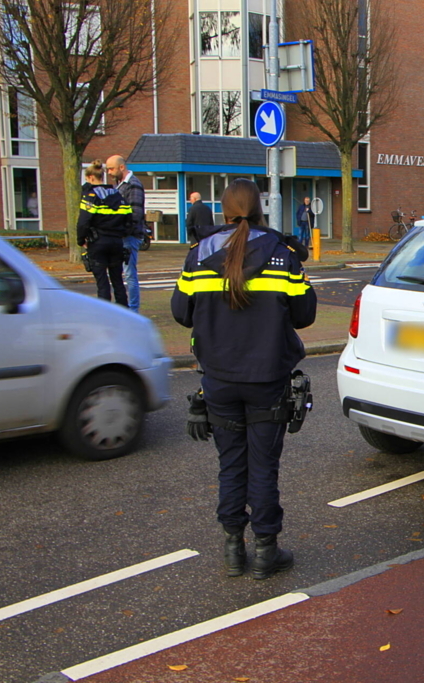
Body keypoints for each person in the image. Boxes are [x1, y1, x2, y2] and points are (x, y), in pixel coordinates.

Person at [171, 178, 317, 579]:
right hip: (267, 377)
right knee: (264, 467)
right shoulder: (282, 253)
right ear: (259, 209)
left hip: (218, 378)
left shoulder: (198, 254)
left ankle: (234, 549)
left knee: (231, 465)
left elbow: (181, 312)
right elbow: (305, 315)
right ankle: (266, 552)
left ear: (223, 209)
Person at [77, 160, 130, 306]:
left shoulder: (90, 196)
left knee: (102, 283)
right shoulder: (117, 195)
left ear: (91, 178)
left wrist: (81, 240)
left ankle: (106, 313)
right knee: (118, 281)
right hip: (116, 243)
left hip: (98, 242)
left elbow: (83, 221)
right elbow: (129, 218)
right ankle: (124, 312)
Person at [107, 155, 146, 313]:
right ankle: (126, 307)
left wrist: (122, 231)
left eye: (111, 169)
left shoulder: (133, 185)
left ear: (121, 167)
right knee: (124, 273)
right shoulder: (120, 185)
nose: (109, 172)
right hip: (122, 236)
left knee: (130, 274)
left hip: (129, 236)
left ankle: (133, 309)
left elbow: (135, 214)